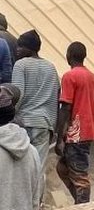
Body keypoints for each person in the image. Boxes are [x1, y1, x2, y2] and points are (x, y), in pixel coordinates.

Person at [55, 42, 94, 204]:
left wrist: (60, 138)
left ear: (68, 56)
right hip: (88, 130)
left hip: (76, 131)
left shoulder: (70, 76)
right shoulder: (93, 77)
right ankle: (80, 204)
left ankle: (83, 209)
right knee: (63, 167)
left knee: (80, 175)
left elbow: (66, 107)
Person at [12, 30, 60, 176]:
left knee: (21, 168)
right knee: (38, 168)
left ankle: (23, 199)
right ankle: (37, 199)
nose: (17, 50)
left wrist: (11, 117)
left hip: (24, 123)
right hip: (44, 124)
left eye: (20, 46)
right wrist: (53, 125)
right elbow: (56, 96)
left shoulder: (21, 65)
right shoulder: (50, 67)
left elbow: (17, 94)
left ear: (30, 48)